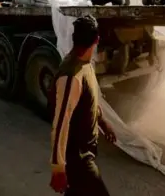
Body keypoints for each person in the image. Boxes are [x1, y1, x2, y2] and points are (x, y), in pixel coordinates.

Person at [49, 15, 117, 196]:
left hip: (85, 151)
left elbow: (90, 101)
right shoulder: (71, 76)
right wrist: (58, 167)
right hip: (78, 158)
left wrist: (102, 122)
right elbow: (61, 124)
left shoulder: (85, 64)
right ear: (97, 40)